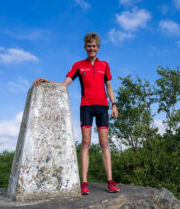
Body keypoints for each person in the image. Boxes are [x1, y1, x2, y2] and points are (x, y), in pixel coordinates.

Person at [33, 32, 120, 194]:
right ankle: (84, 182)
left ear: (98, 48)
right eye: (89, 46)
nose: (91, 49)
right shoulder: (79, 65)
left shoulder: (105, 65)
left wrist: (114, 104)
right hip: (86, 106)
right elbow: (64, 84)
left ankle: (110, 181)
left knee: (104, 143)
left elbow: (109, 87)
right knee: (86, 143)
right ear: (85, 48)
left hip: (102, 107)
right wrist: (46, 81)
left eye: (94, 46)